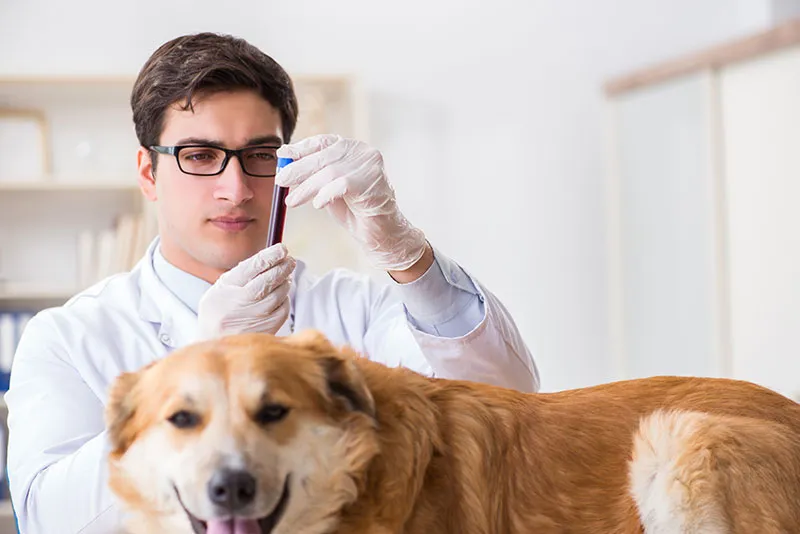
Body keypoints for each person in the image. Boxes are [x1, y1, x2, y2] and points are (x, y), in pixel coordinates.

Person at [4, 32, 539, 533]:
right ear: (149, 172)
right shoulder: (70, 336)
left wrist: (405, 251)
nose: (235, 189)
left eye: (260, 156)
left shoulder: (353, 307)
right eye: (200, 156)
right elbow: (48, 516)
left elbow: (507, 405)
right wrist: (201, 358)